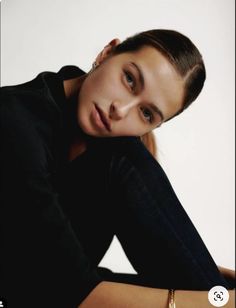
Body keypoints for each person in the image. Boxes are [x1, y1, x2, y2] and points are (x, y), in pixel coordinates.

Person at [0, 29, 235, 308]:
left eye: (147, 113)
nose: (120, 110)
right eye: (129, 79)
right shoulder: (13, 120)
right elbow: (74, 292)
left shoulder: (106, 151)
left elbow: (65, 263)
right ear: (107, 52)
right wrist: (220, 302)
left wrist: (217, 283)